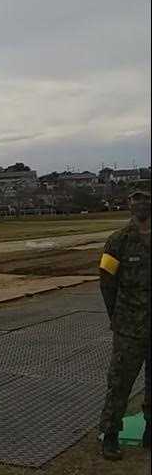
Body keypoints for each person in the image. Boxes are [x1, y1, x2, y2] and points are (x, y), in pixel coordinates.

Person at [97, 187, 151, 461]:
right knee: (119, 383)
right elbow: (107, 284)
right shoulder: (117, 241)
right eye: (137, 198)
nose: (142, 204)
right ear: (129, 202)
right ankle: (110, 435)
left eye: (148, 198)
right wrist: (118, 317)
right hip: (130, 328)